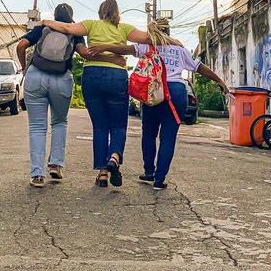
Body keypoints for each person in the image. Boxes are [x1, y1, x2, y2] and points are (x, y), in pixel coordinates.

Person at [88, 19, 228, 190]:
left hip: (154, 91)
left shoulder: (148, 46)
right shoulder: (180, 48)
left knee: (149, 133)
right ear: (168, 32)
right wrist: (219, 80)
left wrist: (104, 47)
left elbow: (126, 49)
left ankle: (149, 172)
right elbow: (199, 67)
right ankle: (159, 180)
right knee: (168, 137)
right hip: (176, 92)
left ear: (152, 32)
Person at [41, 0, 150, 188]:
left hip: (92, 76)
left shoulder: (91, 25)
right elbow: (147, 38)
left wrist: (44, 22)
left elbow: (66, 28)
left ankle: (102, 174)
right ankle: (114, 158)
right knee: (118, 125)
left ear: (100, 11)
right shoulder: (124, 28)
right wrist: (167, 36)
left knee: (99, 127)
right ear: (117, 12)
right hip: (116, 76)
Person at [18, 3, 126, 188]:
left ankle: (37, 174)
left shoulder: (45, 27)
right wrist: (111, 59)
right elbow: (85, 53)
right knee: (59, 121)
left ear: (54, 14)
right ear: (71, 16)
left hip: (36, 75)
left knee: (37, 126)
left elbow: (21, 45)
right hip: (61, 78)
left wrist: (24, 68)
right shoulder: (75, 31)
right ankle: (55, 165)